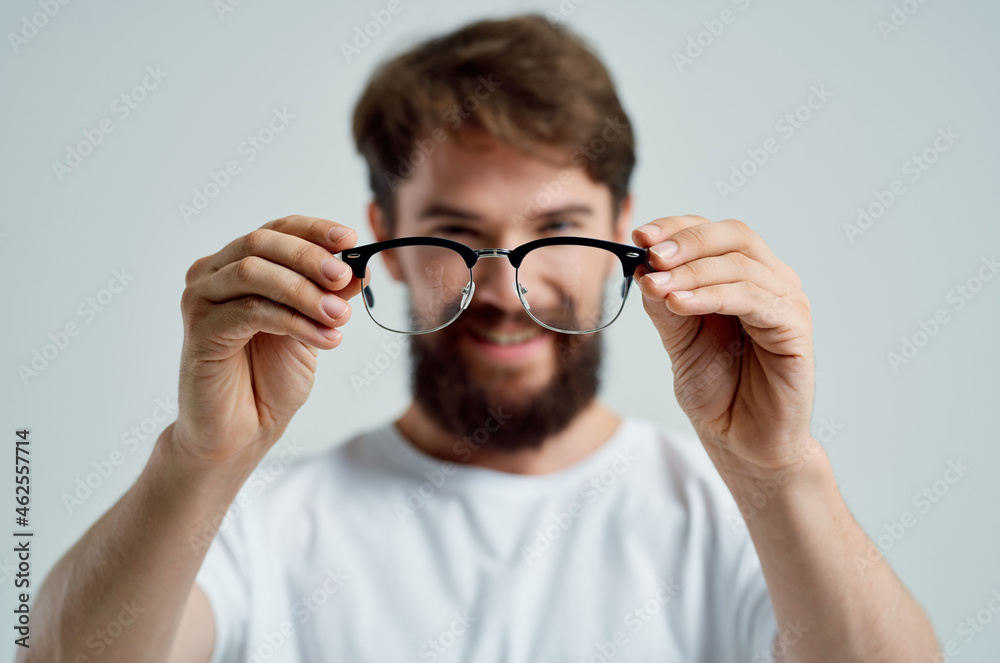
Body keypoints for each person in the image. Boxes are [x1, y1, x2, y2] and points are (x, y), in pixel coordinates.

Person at [21, 13, 940, 663]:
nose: (506, 287)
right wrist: (201, 456)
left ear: (625, 225)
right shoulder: (256, 524)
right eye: (453, 234)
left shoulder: (740, 519)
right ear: (379, 234)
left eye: (560, 229)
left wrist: (778, 470)